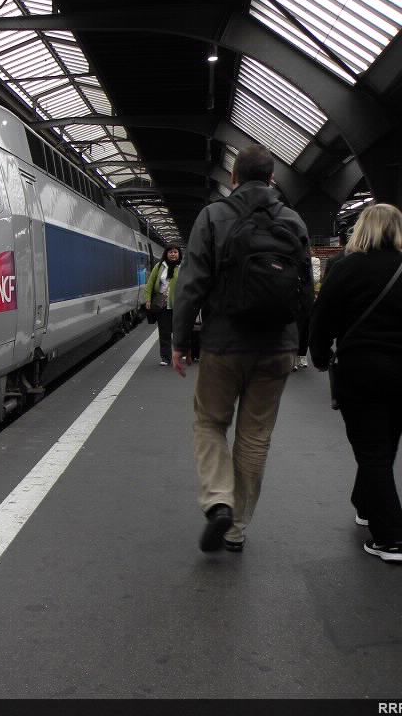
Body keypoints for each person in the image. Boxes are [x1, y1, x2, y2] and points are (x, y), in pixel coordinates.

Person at [171, 144, 312, 553]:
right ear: (272, 179)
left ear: (233, 178)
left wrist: (181, 342)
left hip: (223, 345)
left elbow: (191, 283)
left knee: (210, 423)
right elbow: (304, 290)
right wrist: (301, 345)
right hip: (277, 347)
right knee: (255, 438)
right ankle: (237, 529)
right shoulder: (294, 219)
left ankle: (219, 502)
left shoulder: (214, 216)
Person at [309, 203, 402, 562]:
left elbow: (323, 318)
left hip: (362, 371)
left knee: (372, 450)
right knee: (385, 444)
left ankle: (391, 537)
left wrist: (318, 354)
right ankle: (366, 505)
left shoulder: (346, 267)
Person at [144, 245, 182, 365]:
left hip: (179, 305)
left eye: (175, 252)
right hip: (162, 305)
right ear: (166, 254)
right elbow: (150, 284)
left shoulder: (184, 268)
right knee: (164, 332)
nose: (173, 254)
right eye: (170, 252)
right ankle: (165, 358)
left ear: (179, 254)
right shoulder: (159, 266)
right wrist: (148, 300)